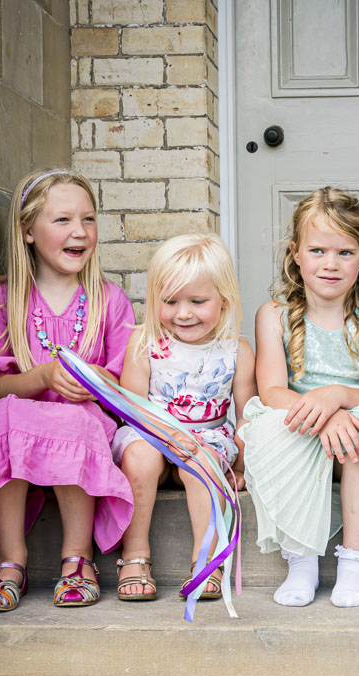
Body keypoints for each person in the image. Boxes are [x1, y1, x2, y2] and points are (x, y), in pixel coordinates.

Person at [240, 187, 359, 608]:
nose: (330, 264)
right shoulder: (274, 315)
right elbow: (271, 391)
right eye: (318, 250)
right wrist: (323, 416)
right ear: (295, 254)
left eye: (345, 252)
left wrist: (337, 397)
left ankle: (354, 564)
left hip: (354, 432)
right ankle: (300, 561)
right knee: (265, 424)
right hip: (302, 427)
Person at [0, 167, 135, 612]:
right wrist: (42, 377)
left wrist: (92, 382)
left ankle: (78, 560)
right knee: (2, 414)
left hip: (85, 419)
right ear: (27, 230)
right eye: (62, 220)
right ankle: (10, 563)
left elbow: (122, 381)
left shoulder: (108, 299)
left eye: (88, 219)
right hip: (22, 423)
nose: (79, 231)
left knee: (75, 421)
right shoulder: (0, 297)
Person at [112, 234, 256, 601]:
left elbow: (247, 414)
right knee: (140, 455)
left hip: (207, 440)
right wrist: (166, 437)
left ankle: (205, 561)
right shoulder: (144, 342)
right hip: (152, 437)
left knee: (203, 463)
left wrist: (240, 468)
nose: (183, 313)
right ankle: (134, 555)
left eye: (197, 301)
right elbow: (131, 406)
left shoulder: (236, 350)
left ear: (224, 300)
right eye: (170, 301)